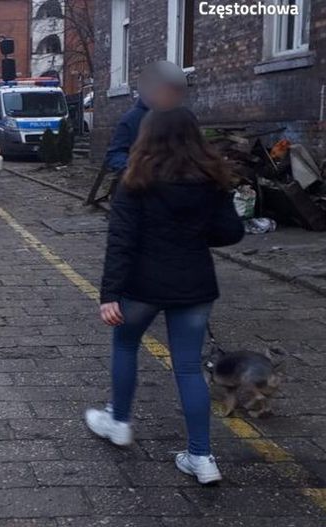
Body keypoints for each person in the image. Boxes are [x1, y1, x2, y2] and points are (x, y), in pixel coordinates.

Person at [85, 107, 245, 485]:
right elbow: (231, 232)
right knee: (188, 367)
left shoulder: (135, 180)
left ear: (148, 135)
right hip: (194, 283)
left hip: (142, 285)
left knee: (126, 345)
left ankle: (119, 422)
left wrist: (110, 294)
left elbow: (121, 241)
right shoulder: (212, 180)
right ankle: (201, 457)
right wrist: (195, 233)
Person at [104, 60, 188, 173]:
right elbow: (115, 154)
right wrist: (135, 167)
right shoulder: (131, 119)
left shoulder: (181, 117)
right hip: (143, 179)